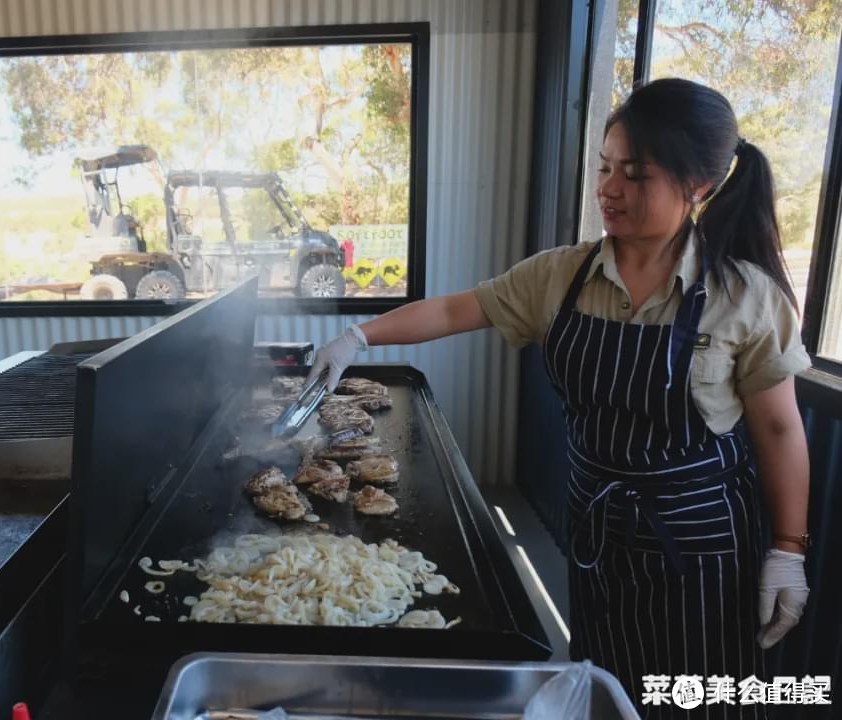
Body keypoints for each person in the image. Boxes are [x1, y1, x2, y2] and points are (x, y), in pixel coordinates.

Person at [308, 78, 811, 717]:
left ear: (698, 187)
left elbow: (779, 431)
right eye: (605, 168)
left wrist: (788, 550)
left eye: (635, 174)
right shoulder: (562, 275)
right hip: (598, 526)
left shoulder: (747, 297)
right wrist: (358, 335)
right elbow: (458, 309)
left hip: (699, 541)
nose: (608, 188)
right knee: (605, 681)